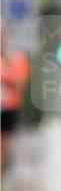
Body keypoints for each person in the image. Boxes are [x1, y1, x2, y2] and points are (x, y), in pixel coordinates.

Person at [1, 21, 31, 178]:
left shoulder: (16, 58)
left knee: (4, 146)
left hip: (8, 107)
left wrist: (7, 79)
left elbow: (22, 86)